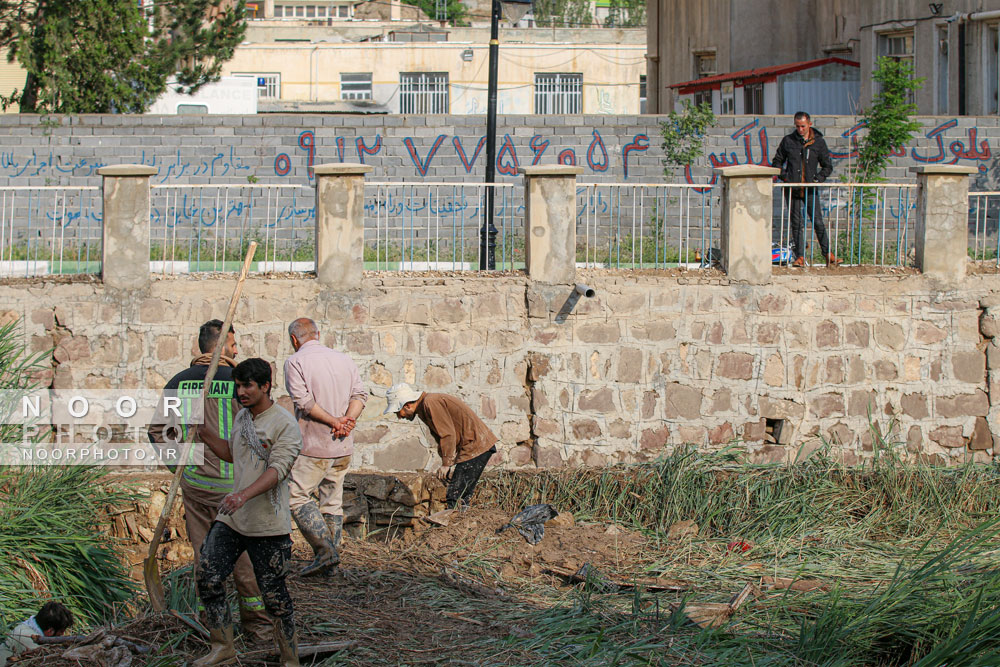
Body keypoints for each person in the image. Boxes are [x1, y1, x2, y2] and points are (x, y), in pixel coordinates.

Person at [147, 320, 272, 642]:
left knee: (206, 559)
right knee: (244, 559)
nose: (237, 349)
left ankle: (216, 629)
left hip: (196, 486)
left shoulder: (178, 382)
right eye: (233, 344)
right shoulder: (239, 383)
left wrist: (179, 466)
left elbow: (156, 431)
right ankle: (258, 627)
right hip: (236, 489)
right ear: (221, 346)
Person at [196, 358, 303, 667]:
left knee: (274, 598)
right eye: (237, 385)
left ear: (266, 386)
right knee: (208, 577)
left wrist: (243, 495)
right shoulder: (242, 416)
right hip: (232, 519)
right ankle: (223, 648)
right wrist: (204, 432)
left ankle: (290, 659)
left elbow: (277, 471)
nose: (240, 391)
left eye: (247, 386)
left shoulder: (284, 424)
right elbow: (233, 454)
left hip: (267, 524)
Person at [283, 318, 367, 577]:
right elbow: (360, 396)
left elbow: (304, 402)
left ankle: (325, 552)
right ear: (318, 334)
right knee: (332, 501)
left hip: (314, 445)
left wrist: (334, 421)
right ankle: (331, 565)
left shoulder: (295, 362)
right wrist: (347, 422)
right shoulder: (344, 359)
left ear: (294, 340)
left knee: (296, 496)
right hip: (343, 445)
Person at [385, 383, 498, 510]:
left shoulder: (430, 402)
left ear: (407, 405)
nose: (399, 417)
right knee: (459, 494)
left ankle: (457, 526)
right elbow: (442, 437)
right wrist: (450, 462)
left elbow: (448, 435)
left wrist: (446, 464)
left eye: (398, 412)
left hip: (476, 446)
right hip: (473, 447)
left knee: (456, 495)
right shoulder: (424, 407)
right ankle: (459, 522)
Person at [771, 111, 842, 267]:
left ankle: (828, 253)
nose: (800, 129)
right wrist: (786, 177)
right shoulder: (788, 141)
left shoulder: (819, 142)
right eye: (797, 126)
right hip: (793, 189)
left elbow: (827, 166)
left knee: (817, 221)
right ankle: (800, 257)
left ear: (809, 124)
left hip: (810, 189)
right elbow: (777, 162)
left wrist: (817, 179)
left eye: (803, 126)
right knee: (796, 223)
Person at [0, 601, 73, 667]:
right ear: (50, 631)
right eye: (61, 631)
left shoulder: (24, 627)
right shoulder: (33, 646)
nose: (62, 634)